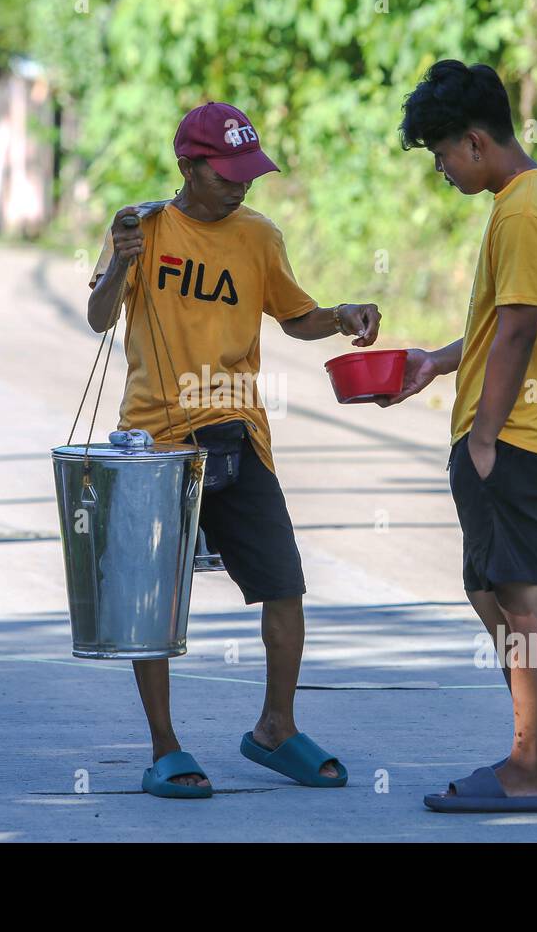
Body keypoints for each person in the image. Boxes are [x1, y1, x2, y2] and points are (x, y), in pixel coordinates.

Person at [85, 101, 381, 798]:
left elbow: (295, 315)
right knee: (149, 603)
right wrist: (116, 268)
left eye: (250, 172)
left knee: (284, 584)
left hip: (237, 431)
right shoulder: (142, 226)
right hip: (155, 436)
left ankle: (276, 726)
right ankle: (165, 747)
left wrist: (340, 316)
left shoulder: (258, 236)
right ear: (188, 166)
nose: (242, 185)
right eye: (227, 174)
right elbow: (99, 317)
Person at [379, 61, 537, 812]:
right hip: (520, 435)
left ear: (474, 141)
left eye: (441, 156)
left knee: (525, 603)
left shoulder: (527, 210)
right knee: (491, 592)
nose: (441, 171)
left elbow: (521, 329)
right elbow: (499, 320)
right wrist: (438, 362)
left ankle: (528, 769)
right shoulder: (527, 200)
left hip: (516, 439)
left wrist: (486, 437)